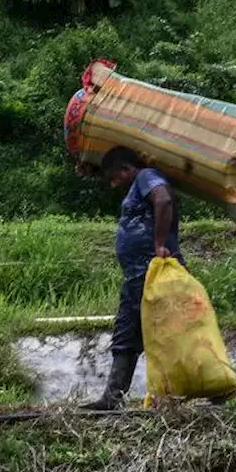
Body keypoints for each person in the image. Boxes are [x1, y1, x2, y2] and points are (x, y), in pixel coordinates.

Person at [83, 146, 182, 411]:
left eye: (114, 178)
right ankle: (113, 397)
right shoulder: (136, 184)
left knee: (164, 331)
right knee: (127, 331)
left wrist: (159, 242)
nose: (113, 185)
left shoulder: (146, 176)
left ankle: (181, 393)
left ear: (126, 170)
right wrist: (91, 169)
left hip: (152, 272)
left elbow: (163, 199)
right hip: (137, 276)